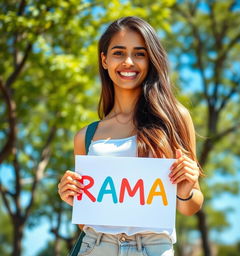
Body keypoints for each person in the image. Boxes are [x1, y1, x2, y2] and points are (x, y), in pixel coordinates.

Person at [58, 16, 204, 256]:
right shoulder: (85, 136)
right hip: (95, 247)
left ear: (151, 60)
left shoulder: (175, 118)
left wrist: (185, 190)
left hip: (154, 248)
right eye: (118, 53)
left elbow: (190, 207)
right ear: (104, 60)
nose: (128, 62)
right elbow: (87, 222)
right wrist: (72, 198)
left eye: (139, 53)